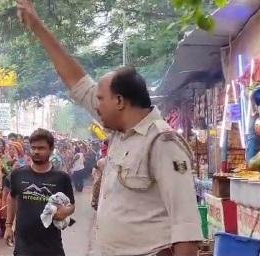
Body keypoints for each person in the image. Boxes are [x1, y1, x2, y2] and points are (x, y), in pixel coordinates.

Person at [16, 1, 202, 255]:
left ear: (120, 101)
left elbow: (186, 229)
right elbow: (77, 82)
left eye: (100, 99)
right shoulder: (120, 133)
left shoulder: (162, 143)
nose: (96, 104)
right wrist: (37, 27)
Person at [4, 128, 75, 256]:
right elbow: (12, 197)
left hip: (51, 245)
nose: (36, 151)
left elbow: (71, 205)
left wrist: (66, 211)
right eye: (33, 147)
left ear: (51, 149)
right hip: (23, 245)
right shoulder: (18, 174)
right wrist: (8, 226)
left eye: (41, 148)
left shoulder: (61, 177)